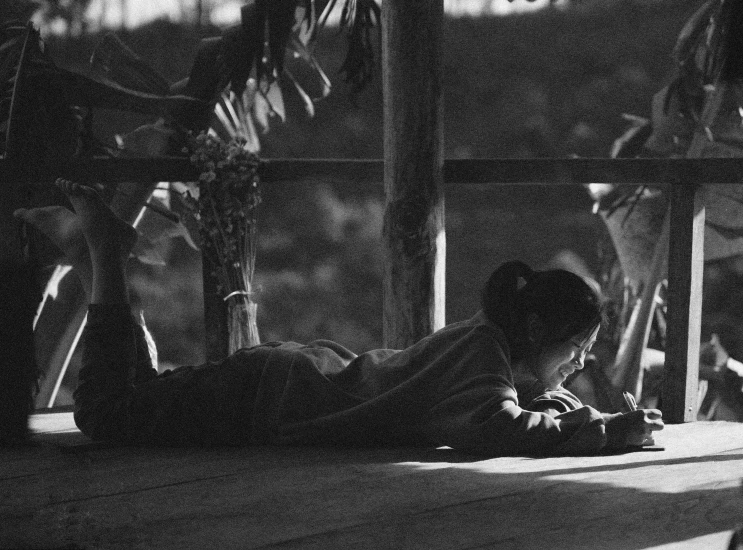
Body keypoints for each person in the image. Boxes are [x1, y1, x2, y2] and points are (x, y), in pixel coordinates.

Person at [15, 179, 664, 456]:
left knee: (145, 399)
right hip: (268, 399)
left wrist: (604, 418)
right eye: (576, 348)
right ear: (534, 333)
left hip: (288, 383)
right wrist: (604, 437)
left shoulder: (488, 344)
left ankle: (107, 276)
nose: (581, 365)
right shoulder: (481, 361)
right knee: (106, 415)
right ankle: (99, 250)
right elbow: (492, 426)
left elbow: (529, 400)